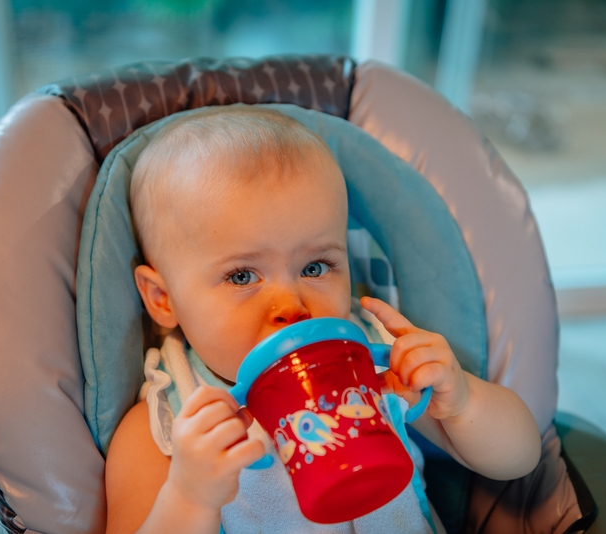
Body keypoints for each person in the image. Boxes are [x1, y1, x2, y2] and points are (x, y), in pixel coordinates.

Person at [104, 105, 542, 534]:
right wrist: (188, 496)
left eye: (314, 267)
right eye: (242, 276)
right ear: (163, 299)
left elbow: (521, 457)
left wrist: (462, 401)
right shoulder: (166, 424)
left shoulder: (375, 365)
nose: (291, 304)